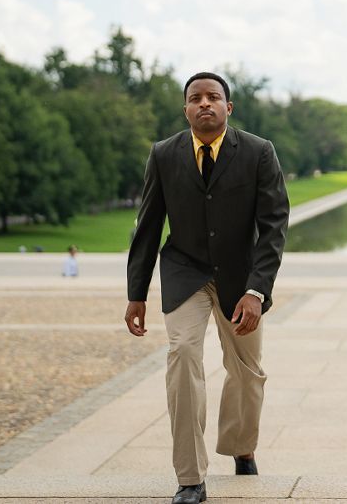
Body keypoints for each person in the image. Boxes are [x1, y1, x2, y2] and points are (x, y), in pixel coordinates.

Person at [125, 72, 290, 504]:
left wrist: (257, 291)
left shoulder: (258, 152)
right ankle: (191, 478)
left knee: (247, 372)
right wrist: (136, 293)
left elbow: (273, 227)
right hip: (185, 272)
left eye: (213, 97)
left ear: (228, 107)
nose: (204, 104)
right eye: (195, 98)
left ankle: (240, 446)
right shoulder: (163, 154)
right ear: (185, 109)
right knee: (182, 356)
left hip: (242, 277)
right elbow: (147, 227)